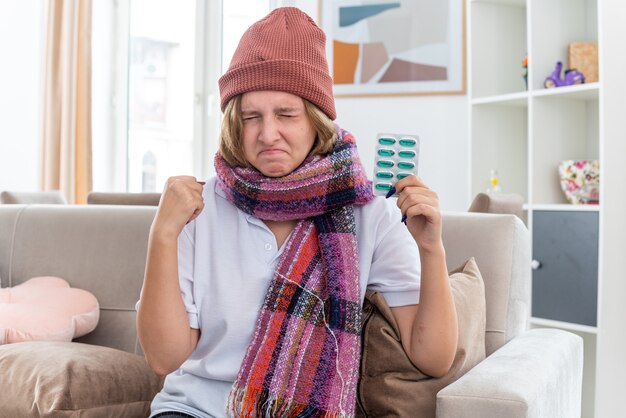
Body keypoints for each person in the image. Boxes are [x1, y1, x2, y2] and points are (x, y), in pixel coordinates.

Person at [137, 7, 458, 418]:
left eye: (286, 114)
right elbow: (164, 358)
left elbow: (432, 357)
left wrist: (432, 248)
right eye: (251, 116)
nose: (267, 134)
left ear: (316, 120)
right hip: (196, 410)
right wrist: (162, 234)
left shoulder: (368, 214)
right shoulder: (197, 208)